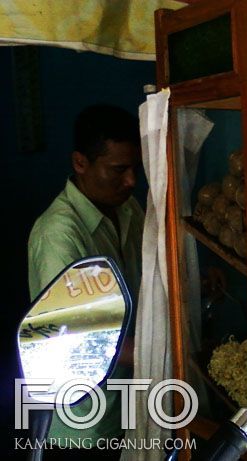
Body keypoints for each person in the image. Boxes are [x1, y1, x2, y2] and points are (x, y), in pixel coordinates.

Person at [27, 104, 144, 456]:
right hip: (82, 426)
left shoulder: (127, 209)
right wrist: (153, 351)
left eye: (134, 168)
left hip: (129, 410)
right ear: (80, 163)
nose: (131, 181)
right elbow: (71, 336)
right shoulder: (57, 235)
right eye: (118, 170)